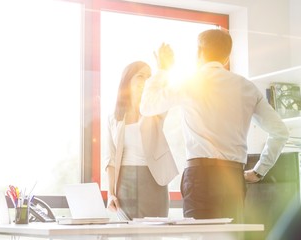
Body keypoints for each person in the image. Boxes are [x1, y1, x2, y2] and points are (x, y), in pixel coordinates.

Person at [140, 29, 289, 223]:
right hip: (232, 177)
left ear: (198, 53)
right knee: (229, 237)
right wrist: (259, 170)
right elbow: (280, 132)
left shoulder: (189, 83)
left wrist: (162, 70)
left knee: (199, 236)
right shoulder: (247, 87)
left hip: (199, 176)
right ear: (227, 57)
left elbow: (147, 106)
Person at [103, 61, 179, 220]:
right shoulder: (113, 118)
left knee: (154, 234)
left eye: (149, 77)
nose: (146, 80)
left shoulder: (155, 110)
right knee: (129, 235)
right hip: (125, 184)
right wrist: (111, 194)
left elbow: (165, 93)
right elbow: (110, 160)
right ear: (127, 81)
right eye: (140, 76)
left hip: (153, 180)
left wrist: (163, 69)